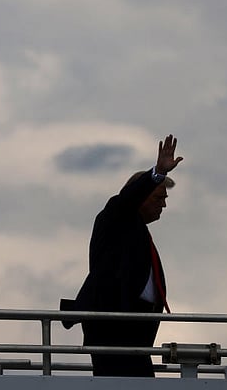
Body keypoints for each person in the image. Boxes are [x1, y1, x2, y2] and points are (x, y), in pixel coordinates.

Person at [60, 134, 183, 377]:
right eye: (159, 198)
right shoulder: (115, 216)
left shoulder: (138, 231)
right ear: (139, 196)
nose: (164, 205)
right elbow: (126, 200)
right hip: (112, 329)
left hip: (134, 335)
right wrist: (157, 172)